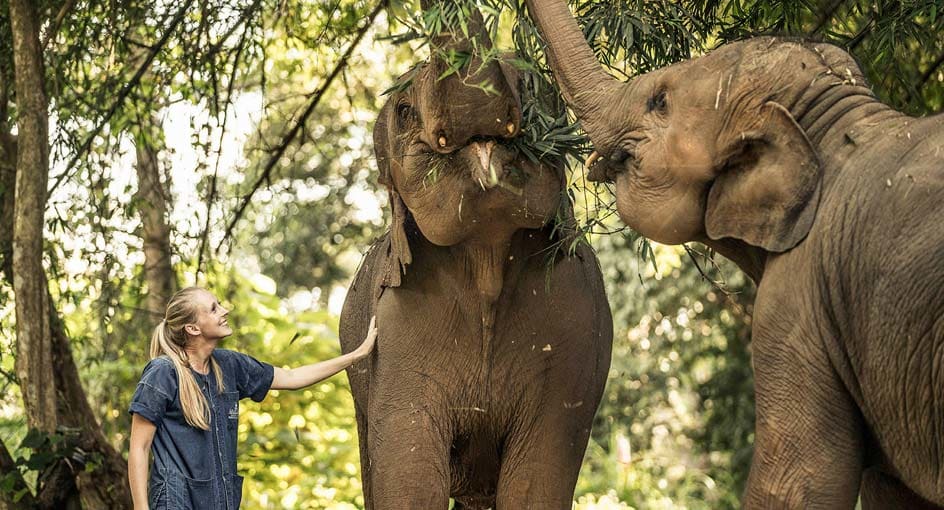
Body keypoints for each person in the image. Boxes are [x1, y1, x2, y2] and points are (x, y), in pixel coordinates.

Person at [127, 286, 377, 510]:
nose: (225, 310)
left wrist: (356, 355)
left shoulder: (229, 365)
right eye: (214, 309)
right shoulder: (163, 372)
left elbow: (291, 377)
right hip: (175, 501)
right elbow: (139, 447)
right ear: (192, 328)